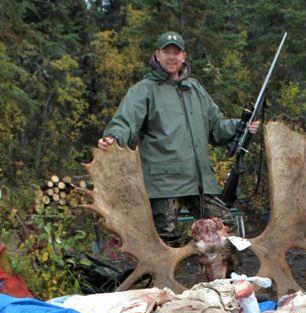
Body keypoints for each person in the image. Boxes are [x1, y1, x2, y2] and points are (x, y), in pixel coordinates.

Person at [97, 31, 259, 246]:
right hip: (164, 184)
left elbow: (216, 127)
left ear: (184, 56)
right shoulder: (143, 90)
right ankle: (162, 282)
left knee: (227, 233)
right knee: (166, 245)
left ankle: (229, 279)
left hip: (199, 181)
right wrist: (113, 137)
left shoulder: (196, 89)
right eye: (167, 52)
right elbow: (125, 122)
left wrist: (241, 126)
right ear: (157, 55)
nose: (171, 57)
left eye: (176, 52)